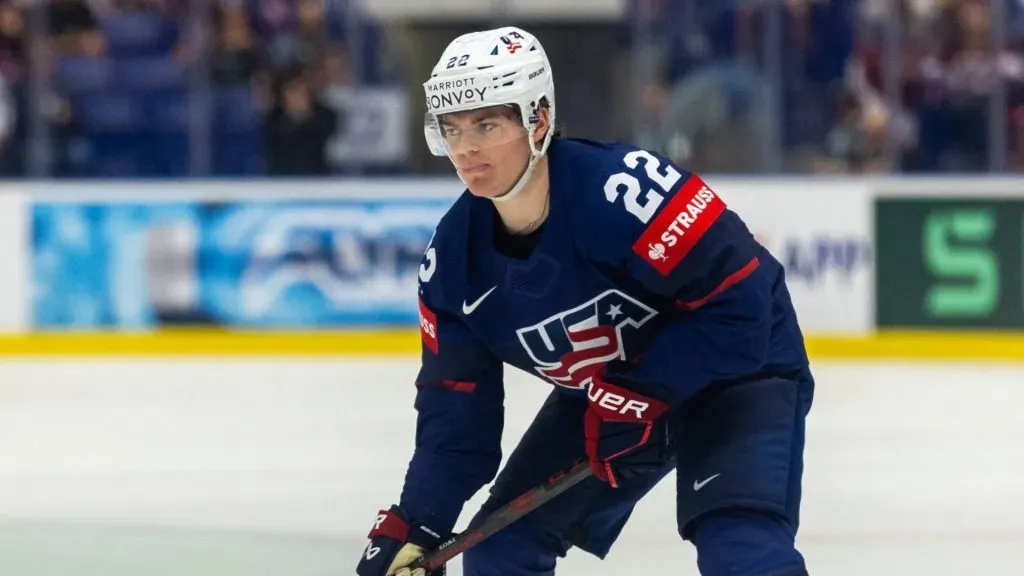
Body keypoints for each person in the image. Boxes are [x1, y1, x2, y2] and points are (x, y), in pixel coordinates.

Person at [355, 26, 814, 576]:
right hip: (612, 395)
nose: (466, 148)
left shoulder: (625, 192)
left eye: (486, 124)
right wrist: (418, 521)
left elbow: (740, 303)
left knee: (740, 546)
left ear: (539, 119)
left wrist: (642, 392)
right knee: (500, 552)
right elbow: (457, 422)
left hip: (741, 371)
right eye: (451, 129)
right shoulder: (452, 267)